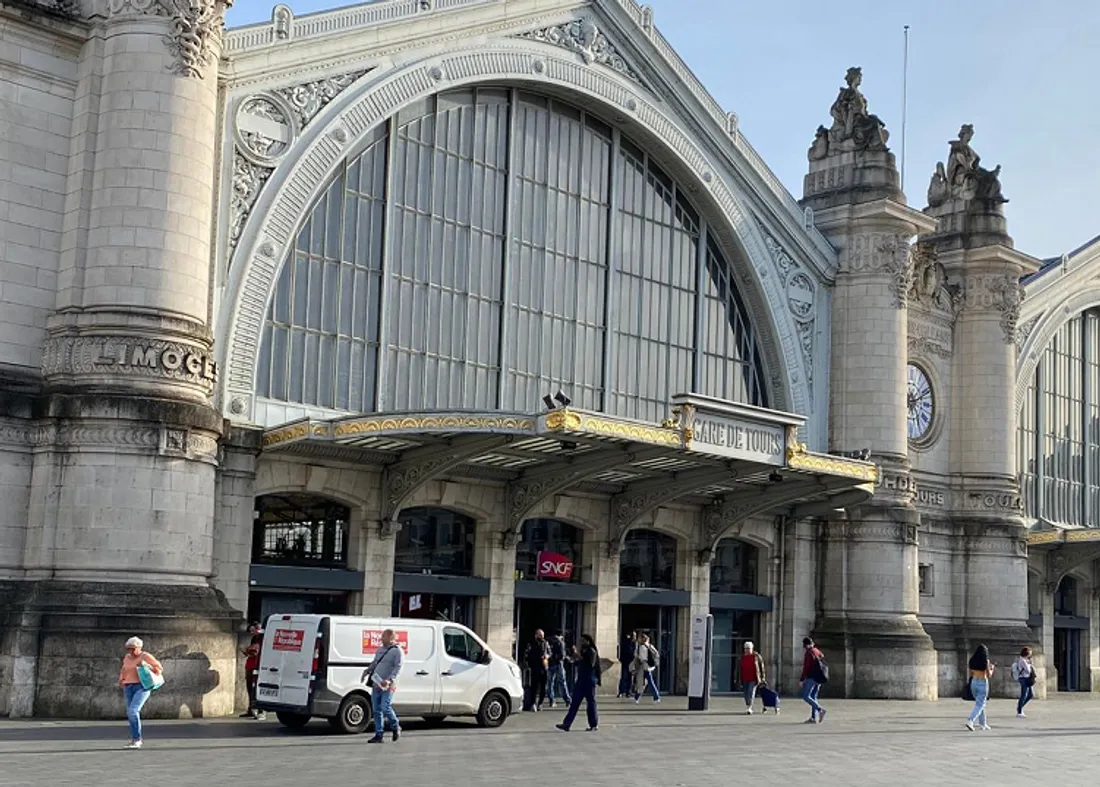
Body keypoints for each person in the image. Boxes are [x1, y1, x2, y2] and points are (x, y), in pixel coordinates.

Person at [118, 636, 163, 749]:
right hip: (128, 686)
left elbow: (158, 669)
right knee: (130, 713)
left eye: (133, 648)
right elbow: (124, 669)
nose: (131, 651)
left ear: (139, 647)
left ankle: (137, 739)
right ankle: (135, 739)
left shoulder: (145, 656)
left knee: (133, 711)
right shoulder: (127, 657)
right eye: (128, 648)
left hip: (142, 686)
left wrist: (145, 665)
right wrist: (122, 679)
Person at [366, 629, 404, 743]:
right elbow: (375, 662)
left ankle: (395, 725)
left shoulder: (397, 651)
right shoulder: (380, 650)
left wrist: (390, 680)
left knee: (385, 706)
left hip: (388, 684)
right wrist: (368, 670)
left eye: (384, 637)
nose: (381, 639)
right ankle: (379, 734)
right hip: (377, 682)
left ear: (391, 638)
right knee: (376, 709)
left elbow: (398, 667)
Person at [556, 634, 600, 732]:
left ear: (588, 641)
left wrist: (577, 655)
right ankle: (566, 724)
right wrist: (572, 659)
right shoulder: (584, 651)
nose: (581, 643)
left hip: (589, 680)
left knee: (591, 703)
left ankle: (594, 724)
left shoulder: (591, 651)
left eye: (583, 641)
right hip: (581, 680)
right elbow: (579, 663)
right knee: (574, 703)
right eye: (580, 641)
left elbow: (590, 664)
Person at [239, 622, 265, 720]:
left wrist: (248, 650)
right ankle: (251, 709)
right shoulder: (254, 638)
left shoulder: (262, 638)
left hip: (257, 666)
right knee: (249, 688)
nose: (252, 632)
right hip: (250, 665)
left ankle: (260, 711)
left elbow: (256, 651)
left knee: (257, 689)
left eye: (253, 630)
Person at [965, 643, 994, 731]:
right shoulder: (986, 661)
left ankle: (983, 723)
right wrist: (992, 669)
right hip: (982, 682)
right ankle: (971, 720)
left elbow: (970, 673)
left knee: (981, 703)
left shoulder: (972, 660)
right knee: (980, 704)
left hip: (974, 681)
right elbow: (989, 675)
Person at [800, 636, 827, 724]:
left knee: (806, 696)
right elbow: (822, 658)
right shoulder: (817, 651)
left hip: (811, 677)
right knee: (813, 696)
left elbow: (806, 667)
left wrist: (802, 679)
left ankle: (820, 710)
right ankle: (813, 717)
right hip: (819, 677)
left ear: (806, 645)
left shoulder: (809, 652)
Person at [523, 629, 551, 711]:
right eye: (540, 635)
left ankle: (540, 703)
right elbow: (526, 654)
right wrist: (527, 664)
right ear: (536, 635)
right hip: (534, 667)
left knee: (543, 687)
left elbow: (550, 653)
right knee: (534, 687)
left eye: (542, 635)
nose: (541, 637)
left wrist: (546, 656)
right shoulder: (531, 643)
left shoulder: (546, 643)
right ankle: (533, 703)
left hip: (544, 667)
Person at [736, 641, 766, 715]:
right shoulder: (741, 657)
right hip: (744, 678)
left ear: (752, 648)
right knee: (746, 694)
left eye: (748, 648)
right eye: (746, 648)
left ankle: (750, 707)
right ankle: (748, 705)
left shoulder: (756, 657)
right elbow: (738, 669)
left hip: (754, 678)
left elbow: (761, 667)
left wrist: (762, 677)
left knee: (751, 692)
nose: (747, 650)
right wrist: (737, 678)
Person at [631, 632, 661, 703]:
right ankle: (637, 697)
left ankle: (656, 697)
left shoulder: (641, 647)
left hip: (643, 667)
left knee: (644, 682)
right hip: (648, 667)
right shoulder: (649, 646)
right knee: (645, 682)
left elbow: (638, 656)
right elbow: (657, 654)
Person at [546, 631, 571, 709]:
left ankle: (552, 700)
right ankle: (567, 700)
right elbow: (562, 656)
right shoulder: (561, 642)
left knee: (550, 683)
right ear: (560, 635)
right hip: (558, 665)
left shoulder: (548, 642)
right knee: (562, 682)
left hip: (550, 665)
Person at [1012, 646, 1036, 718]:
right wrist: (1029, 664)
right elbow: (1028, 670)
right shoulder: (1022, 660)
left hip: (1027, 678)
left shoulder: (1025, 660)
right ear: (1026, 653)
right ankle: (1019, 711)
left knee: (1030, 694)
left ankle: (1020, 707)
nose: (1030, 654)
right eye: (1030, 652)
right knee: (1024, 694)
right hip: (1024, 678)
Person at [617, 632, 636, 698]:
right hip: (626, 662)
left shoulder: (635, 644)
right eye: (633, 636)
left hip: (631, 663)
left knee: (630, 678)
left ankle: (628, 692)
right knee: (624, 677)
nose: (634, 637)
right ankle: (621, 691)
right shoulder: (627, 643)